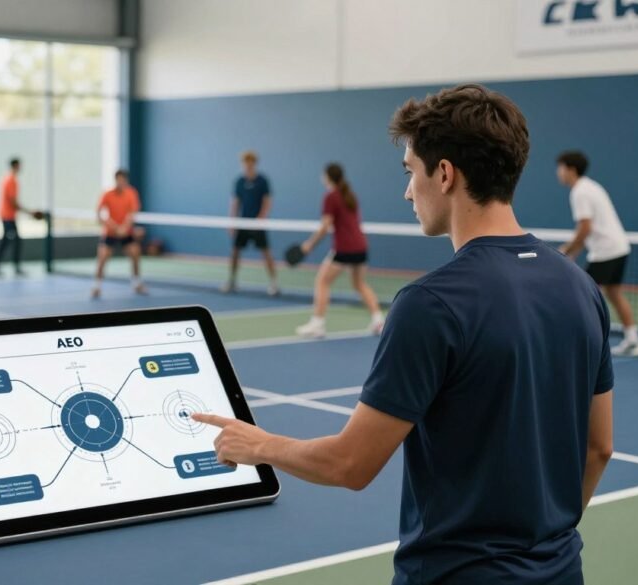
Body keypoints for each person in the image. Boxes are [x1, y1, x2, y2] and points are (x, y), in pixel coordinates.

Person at [195, 84, 613, 585]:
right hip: (562, 571)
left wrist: (258, 444)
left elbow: (350, 464)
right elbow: (598, 449)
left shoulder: (431, 304)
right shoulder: (580, 286)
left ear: (444, 173)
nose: (408, 191)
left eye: (411, 172)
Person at [557, 151, 638, 357]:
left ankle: (582, 344)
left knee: (581, 296)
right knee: (613, 293)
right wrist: (573, 253)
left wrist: (566, 251)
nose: (558, 173)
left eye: (560, 167)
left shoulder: (580, 192)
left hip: (606, 252)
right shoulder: (591, 186)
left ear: (571, 169)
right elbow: (587, 230)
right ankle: (634, 340)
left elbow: (585, 228)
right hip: (619, 247)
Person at [295, 163, 384, 337]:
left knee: (322, 281)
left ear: (327, 177)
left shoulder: (331, 197)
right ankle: (378, 320)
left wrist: (309, 245)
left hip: (345, 249)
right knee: (359, 284)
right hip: (361, 247)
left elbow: (325, 225)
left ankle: (317, 324)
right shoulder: (350, 195)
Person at [222, 151, 279, 296]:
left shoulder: (262, 181)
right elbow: (235, 202)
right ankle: (232, 281)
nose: (248, 165)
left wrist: (261, 218)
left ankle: (274, 283)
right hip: (242, 223)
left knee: (266, 252)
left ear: (254, 163)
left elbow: (267, 201)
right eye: (245, 162)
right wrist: (232, 222)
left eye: (250, 162)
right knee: (235, 252)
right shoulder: (239, 182)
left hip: (258, 224)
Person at [92, 169, 147, 299]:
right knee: (102, 257)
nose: (121, 182)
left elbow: (132, 214)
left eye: (124, 180)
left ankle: (136, 283)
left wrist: (124, 228)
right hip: (110, 233)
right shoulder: (107, 194)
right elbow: (99, 214)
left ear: (126, 181)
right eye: (119, 180)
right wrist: (114, 227)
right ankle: (97, 286)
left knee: (135, 253)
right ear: (116, 180)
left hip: (126, 233)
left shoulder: (131, 193)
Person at [0, 158, 26, 277]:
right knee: (9, 241)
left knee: (11, 240)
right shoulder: (11, 181)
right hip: (7, 216)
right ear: (15, 166)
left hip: (8, 216)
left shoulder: (7, 179)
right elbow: (13, 202)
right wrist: (29, 212)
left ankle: (11, 266)